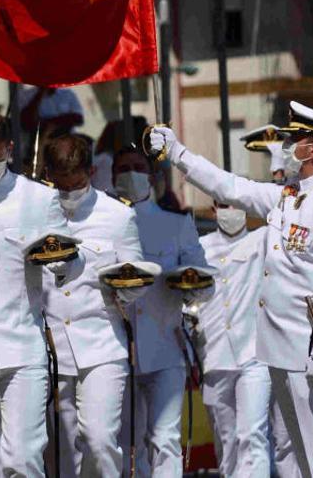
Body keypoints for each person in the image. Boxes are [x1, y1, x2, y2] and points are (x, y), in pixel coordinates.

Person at [148, 101, 313, 477]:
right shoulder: (289, 196)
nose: (287, 145)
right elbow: (228, 186)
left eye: (295, 138)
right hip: (282, 349)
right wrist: (177, 153)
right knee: (302, 453)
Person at [0, 110, 71, 477]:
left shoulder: (38, 198)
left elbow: (66, 257)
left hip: (22, 345)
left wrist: (59, 263)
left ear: (9, 149)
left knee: (23, 459)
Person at [40, 134, 143, 478]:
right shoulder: (36, 211)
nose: (68, 192)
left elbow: (135, 274)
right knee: (65, 452)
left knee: (99, 441)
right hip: (52, 347)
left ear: (91, 171)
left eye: (76, 184)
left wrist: (127, 291)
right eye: (61, 185)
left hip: (102, 344)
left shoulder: (117, 216)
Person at [110, 146, 207, 477]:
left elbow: (201, 276)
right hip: (116, 349)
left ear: (151, 176)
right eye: (123, 168)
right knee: (123, 443)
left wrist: (189, 285)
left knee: (165, 439)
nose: (130, 174)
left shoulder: (176, 223)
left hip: (164, 343)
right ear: (112, 177)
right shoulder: (102, 223)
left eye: (137, 167)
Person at [195, 202, 271, 478]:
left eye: (237, 204)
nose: (231, 210)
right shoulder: (198, 247)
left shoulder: (261, 239)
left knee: (253, 434)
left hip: (254, 353)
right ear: (213, 208)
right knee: (227, 442)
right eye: (224, 204)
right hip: (214, 354)